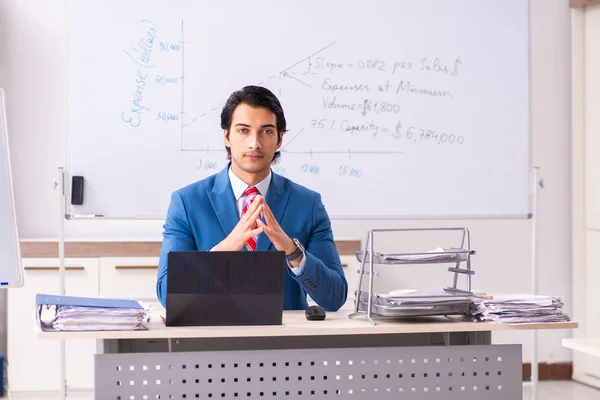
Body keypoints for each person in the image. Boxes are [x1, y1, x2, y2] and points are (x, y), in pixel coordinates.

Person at [156, 85, 348, 311]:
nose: (254, 143)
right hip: (212, 340)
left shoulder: (308, 204)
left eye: (266, 131)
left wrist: (292, 251)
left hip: (285, 341)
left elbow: (335, 297)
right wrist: (223, 251)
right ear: (226, 136)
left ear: (279, 139)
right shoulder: (187, 202)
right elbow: (168, 294)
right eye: (243, 130)